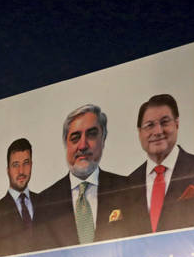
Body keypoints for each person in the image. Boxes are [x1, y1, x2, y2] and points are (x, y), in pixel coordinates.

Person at [106, 93, 194, 237]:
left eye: (164, 122)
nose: (158, 131)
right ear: (140, 132)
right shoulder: (128, 185)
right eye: (149, 125)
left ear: (177, 124)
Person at [36, 104, 131, 248]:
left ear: (103, 140)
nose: (82, 145)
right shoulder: (43, 204)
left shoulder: (128, 189)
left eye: (91, 135)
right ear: (65, 144)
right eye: (75, 138)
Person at [0, 138, 44, 256]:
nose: (21, 171)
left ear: (31, 165)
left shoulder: (44, 202)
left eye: (26, 163)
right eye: (15, 165)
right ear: (8, 170)